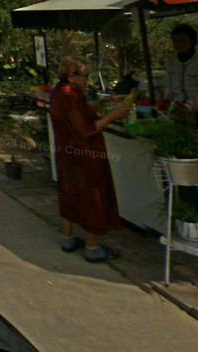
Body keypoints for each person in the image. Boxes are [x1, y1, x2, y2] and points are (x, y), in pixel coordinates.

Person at [50, 57, 130, 263]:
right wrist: (113, 116)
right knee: (92, 198)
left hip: (67, 153)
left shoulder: (61, 92)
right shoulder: (69, 95)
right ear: (72, 76)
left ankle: (68, 239)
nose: (88, 80)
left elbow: (80, 115)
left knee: (69, 195)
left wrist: (104, 104)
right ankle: (92, 248)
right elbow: (85, 129)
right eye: (85, 76)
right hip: (84, 155)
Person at [165, 24, 198, 107]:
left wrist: (187, 106)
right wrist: (166, 101)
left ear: (192, 42)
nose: (178, 43)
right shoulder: (171, 60)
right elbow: (169, 86)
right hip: (176, 106)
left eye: (183, 40)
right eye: (175, 40)